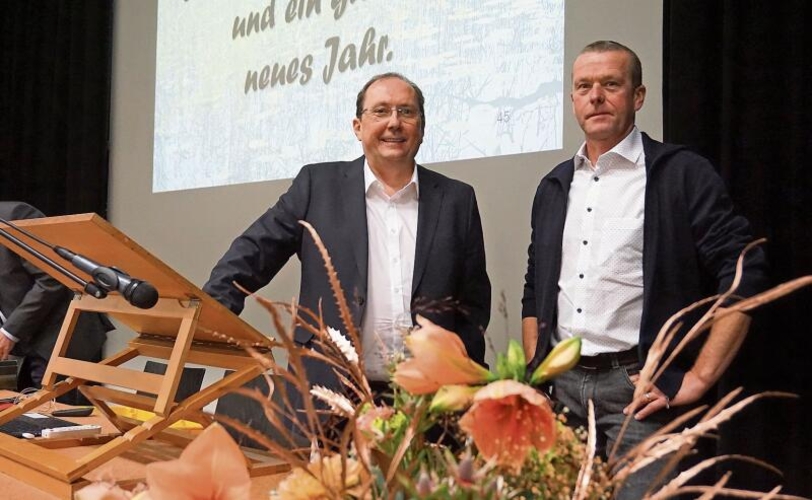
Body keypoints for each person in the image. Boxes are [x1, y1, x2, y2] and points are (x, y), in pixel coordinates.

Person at [521, 41, 768, 498]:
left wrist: (697, 379)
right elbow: (536, 285)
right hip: (563, 396)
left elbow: (744, 271)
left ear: (638, 96)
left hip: (637, 397)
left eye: (610, 84)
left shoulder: (681, 173)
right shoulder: (554, 185)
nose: (596, 96)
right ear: (573, 99)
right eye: (584, 86)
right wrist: (538, 371)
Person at [204, 72, 491, 397]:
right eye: (381, 111)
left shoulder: (456, 200)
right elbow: (255, 251)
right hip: (329, 391)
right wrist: (210, 313)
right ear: (358, 127)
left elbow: (473, 304)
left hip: (427, 399)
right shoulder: (318, 186)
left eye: (406, 112)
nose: (394, 122)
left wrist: (465, 383)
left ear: (421, 128)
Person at [0, 201, 113, 404]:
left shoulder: (15, 216)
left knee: (62, 425)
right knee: (18, 423)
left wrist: (9, 332)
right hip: (18, 347)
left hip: (59, 337)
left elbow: (52, 277)